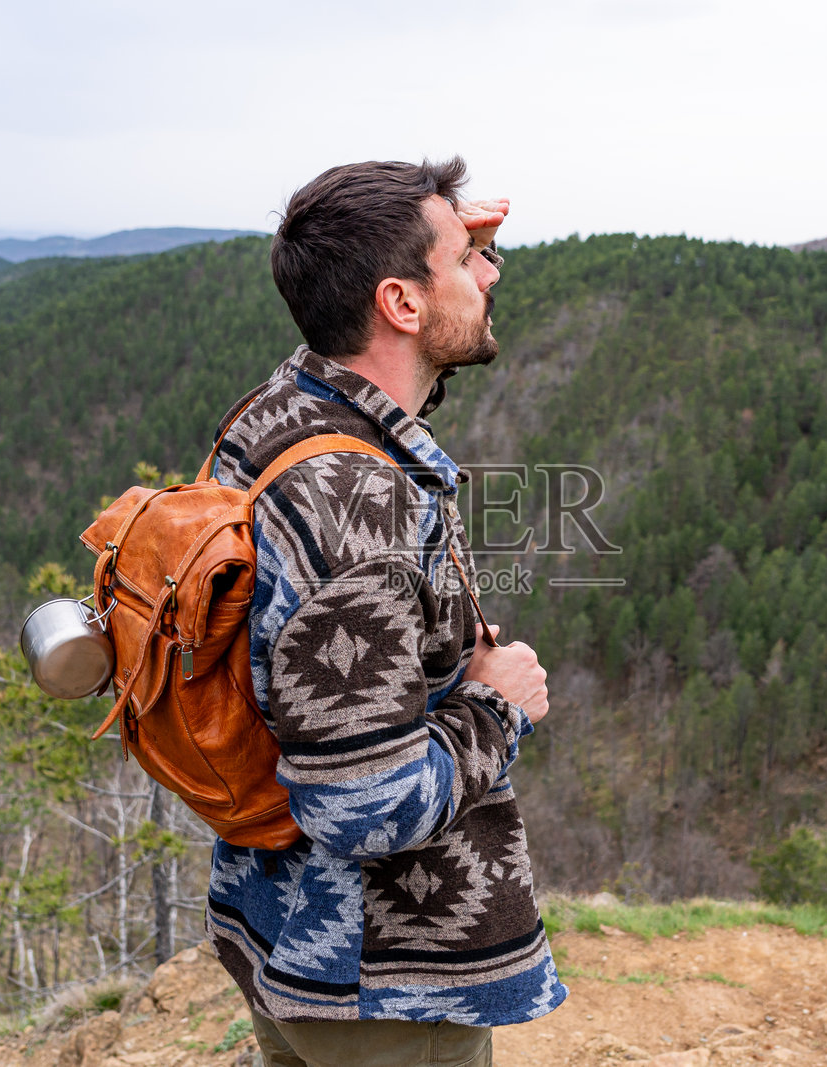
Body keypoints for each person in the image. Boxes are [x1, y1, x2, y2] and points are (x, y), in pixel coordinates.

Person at [201, 157, 567, 1067]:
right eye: (468, 259)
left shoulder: (284, 413)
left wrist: (441, 241)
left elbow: (387, 379)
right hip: (384, 986)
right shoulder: (356, 512)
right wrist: (498, 704)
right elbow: (363, 803)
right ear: (401, 304)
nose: (491, 272)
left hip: (286, 938)